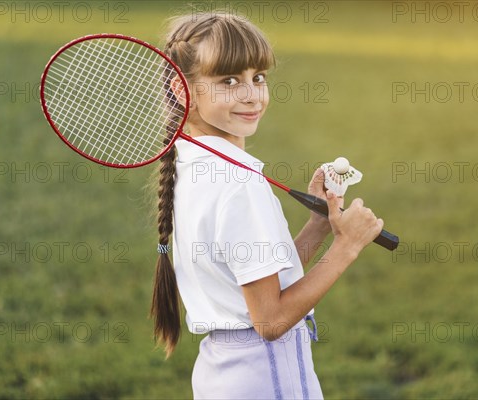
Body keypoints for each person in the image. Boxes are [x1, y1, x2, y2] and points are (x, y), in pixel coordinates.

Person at [150, 11, 384, 399]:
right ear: (181, 87)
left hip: (221, 372)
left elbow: (256, 280)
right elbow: (271, 320)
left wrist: (318, 226)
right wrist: (347, 247)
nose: (251, 94)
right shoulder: (238, 184)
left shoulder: (189, 163)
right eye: (228, 81)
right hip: (264, 375)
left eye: (257, 77)